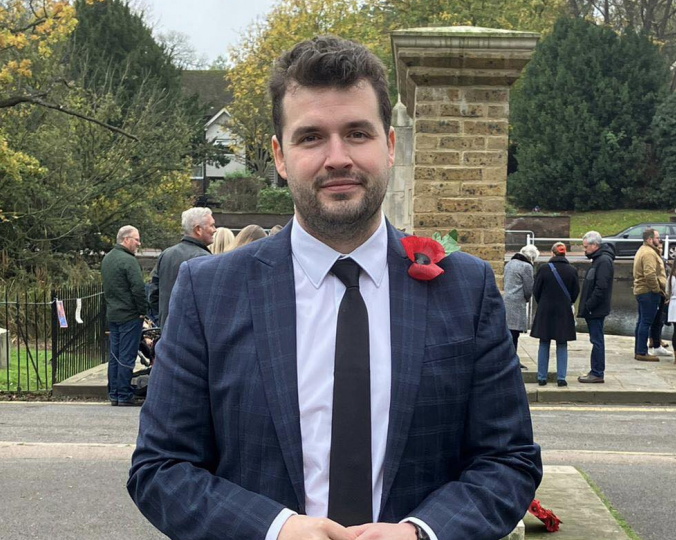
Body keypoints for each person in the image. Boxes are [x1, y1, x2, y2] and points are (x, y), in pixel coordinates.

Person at [128, 36, 542, 540]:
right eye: (311, 138)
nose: (337, 157)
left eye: (357, 133)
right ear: (280, 156)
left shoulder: (466, 288)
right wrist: (274, 531)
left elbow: (507, 459)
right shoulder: (208, 292)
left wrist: (423, 532)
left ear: (389, 145)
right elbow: (160, 468)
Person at [101, 225, 147, 406]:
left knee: (115, 356)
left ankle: (113, 393)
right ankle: (124, 394)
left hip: (113, 314)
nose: (138, 243)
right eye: (136, 239)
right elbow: (138, 288)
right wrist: (143, 310)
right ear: (126, 239)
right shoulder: (129, 261)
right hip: (129, 315)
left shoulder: (107, 259)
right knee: (127, 356)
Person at [148, 207, 215, 328]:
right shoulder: (204, 258)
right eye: (212, 226)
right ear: (198, 229)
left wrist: (161, 319)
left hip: (167, 329)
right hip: (192, 333)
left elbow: (153, 293)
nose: (215, 230)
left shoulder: (166, 254)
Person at [530, 242, 579, 387]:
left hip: (545, 310)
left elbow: (536, 290)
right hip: (563, 311)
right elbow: (575, 292)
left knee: (544, 342)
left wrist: (543, 302)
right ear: (565, 254)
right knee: (562, 344)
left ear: (552, 253)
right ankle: (561, 378)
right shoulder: (572, 270)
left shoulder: (544, 269)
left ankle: (541, 377)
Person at [577, 231, 615, 383]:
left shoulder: (603, 261)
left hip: (596, 310)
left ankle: (597, 372)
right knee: (596, 340)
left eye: (586, 247)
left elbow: (601, 287)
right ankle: (596, 371)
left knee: (597, 341)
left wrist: (589, 305)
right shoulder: (598, 259)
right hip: (594, 309)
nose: (584, 250)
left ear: (594, 245)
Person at [633, 228, 667, 362]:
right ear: (649, 239)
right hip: (648, 292)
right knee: (646, 322)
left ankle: (639, 349)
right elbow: (650, 274)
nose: (659, 240)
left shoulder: (644, 250)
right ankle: (641, 351)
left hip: (643, 291)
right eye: (657, 237)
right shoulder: (648, 253)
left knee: (642, 321)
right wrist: (657, 289)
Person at [504, 244, 538, 370]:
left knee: (508, 333)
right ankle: (512, 361)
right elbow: (529, 288)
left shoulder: (509, 263)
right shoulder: (527, 266)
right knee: (515, 334)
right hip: (517, 303)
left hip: (506, 301)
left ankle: (508, 359)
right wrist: (527, 298)